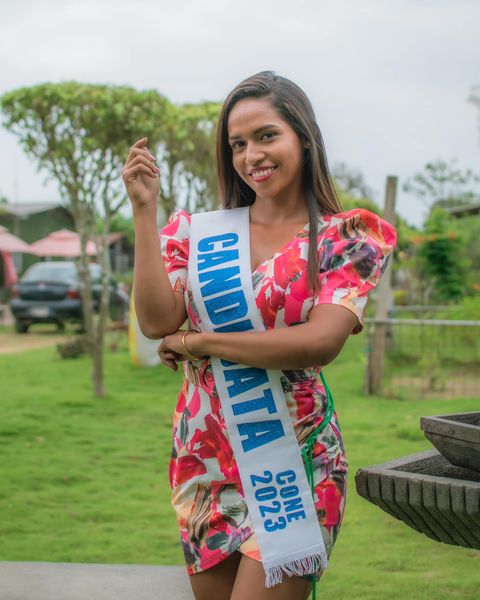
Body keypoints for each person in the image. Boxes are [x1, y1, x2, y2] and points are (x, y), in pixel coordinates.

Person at [122, 71, 397, 600]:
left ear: (304, 138)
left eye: (267, 136)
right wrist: (143, 210)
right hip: (204, 456)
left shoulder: (344, 237)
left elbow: (319, 343)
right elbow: (157, 322)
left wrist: (199, 343)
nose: (251, 156)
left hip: (294, 460)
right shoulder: (199, 234)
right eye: (238, 144)